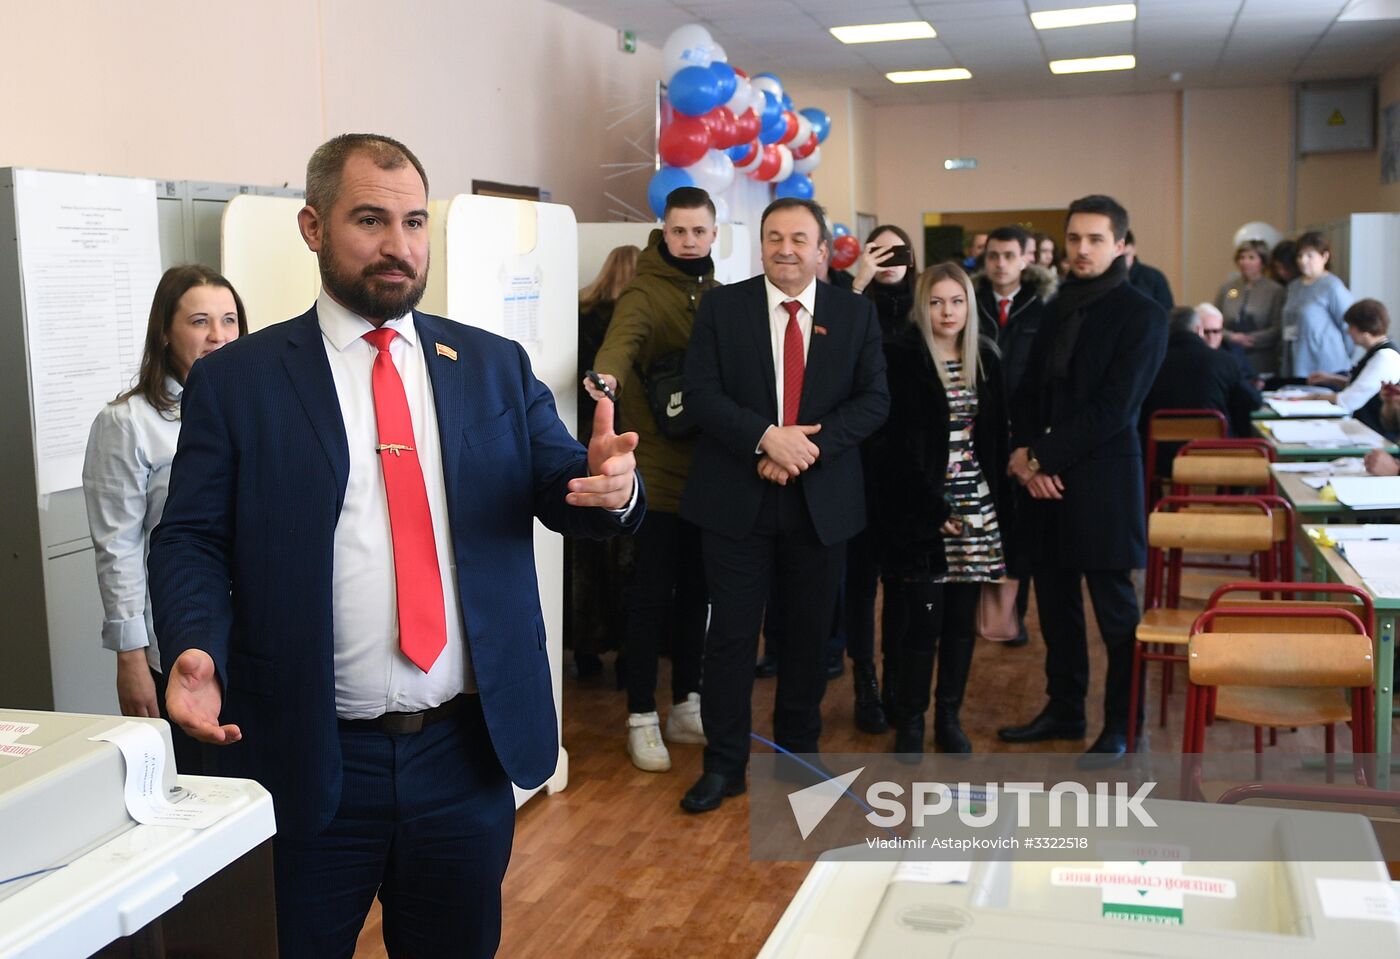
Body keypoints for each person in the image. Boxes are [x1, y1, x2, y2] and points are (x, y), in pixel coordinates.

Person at [148, 133, 643, 958]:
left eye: (414, 222)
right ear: (312, 227)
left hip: (462, 753)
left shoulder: (489, 365)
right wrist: (194, 643)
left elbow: (566, 484)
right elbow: (190, 537)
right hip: (308, 754)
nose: (398, 245)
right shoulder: (239, 382)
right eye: (370, 219)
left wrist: (611, 488)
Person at [678, 196, 888, 812]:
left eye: (800, 238)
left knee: (806, 640)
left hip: (820, 506)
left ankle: (799, 755)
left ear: (823, 250)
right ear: (760, 244)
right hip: (734, 502)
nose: (786, 249)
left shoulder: (855, 315)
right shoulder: (722, 307)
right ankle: (724, 764)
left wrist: (801, 450)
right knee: (731, 641)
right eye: (775, 237)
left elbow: (874, 401)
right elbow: (700, 393)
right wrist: (765, 438)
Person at [1001, 195, 1168, 767]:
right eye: (1074, 239)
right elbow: (1029, 391)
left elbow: (1114, 409)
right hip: (1043, 480)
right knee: (1055, 608)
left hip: (1100, 484)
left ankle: (1122, 725)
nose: (1082, 250)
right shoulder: (1055, 304)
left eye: (1096, 239)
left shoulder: (1142, 313)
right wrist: (1022, 454)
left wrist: (1041, 458)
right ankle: (1065, 708)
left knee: (1115, 615)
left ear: (1120, 244)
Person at [82, 265, 247, 773]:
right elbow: (119, 546)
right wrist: (130, 657)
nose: (218, 336)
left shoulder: (254, 408)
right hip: (180, 646)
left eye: (229, 320)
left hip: (256, 642)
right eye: (200, 321)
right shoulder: (129, 422)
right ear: (165, 332)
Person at [586, 187, 718, 773]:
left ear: (715, 235)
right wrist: (604, 381)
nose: (688, 240)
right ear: (664, 230)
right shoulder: (643, 288)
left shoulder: (718, 292)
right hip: (657, 474)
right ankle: (641, 714)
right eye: (679, 230)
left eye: (698, 231)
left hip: (710, 471)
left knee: (697, 593)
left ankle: (687, 703)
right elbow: (621, 344)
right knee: (649, 598)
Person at [879, 262, 1012, 756]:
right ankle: (911, 719)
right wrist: (931, 508)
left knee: (960, 625)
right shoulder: (902, 359)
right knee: (924, 622)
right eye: (936, 302)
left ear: (969, 306)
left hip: (976, 509)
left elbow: (997, 443)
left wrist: (1001, 512)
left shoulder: (986, 359)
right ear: (922, 306)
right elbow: (893, 449)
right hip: (923, 514)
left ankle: (948, 717)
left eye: (956, 301)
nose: (947, 311)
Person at [973, 226, 1054, 648]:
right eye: (993, 256)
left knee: (1019, 528)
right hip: (978, 429)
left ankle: (1011, 617)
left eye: (1008, 255)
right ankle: (977, 613)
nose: (1000, 264)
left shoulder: (1044, 309)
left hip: (1024, 432)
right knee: (980, 520)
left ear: (1026, 259)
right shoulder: (970, 303)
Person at [570, 244, 640, 680]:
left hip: (581, 442)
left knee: (584, 560)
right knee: (627, 560)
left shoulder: (579, 311)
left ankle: (585, 650)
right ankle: (629, 654)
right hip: (625, 446)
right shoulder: (633, 324)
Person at [1142, 306, 1255, 473]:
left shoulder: (1151, 362)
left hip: (1159, 460)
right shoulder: (1224, 361)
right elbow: (1252, 402)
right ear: (1198, 330)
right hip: (1214, 455)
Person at [1307, 299, 1400, 436]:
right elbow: (1363, 386)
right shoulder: (1376, 352)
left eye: (1351, 326)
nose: (1348, 332)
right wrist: (1332, 379)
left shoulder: (1385, 358)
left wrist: (1310, 398)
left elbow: (1349, 400)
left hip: (1374, 434)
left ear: (1364, 329)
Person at [1283, 231, 1356, 380]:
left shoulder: (1332, 286)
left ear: (1324, 256)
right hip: (1296, 359)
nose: (1303, 261)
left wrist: (1345, 355)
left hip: (1326, 364)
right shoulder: (1294, 286)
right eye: (1300, 255)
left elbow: (1348, 326)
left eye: (1310, 255)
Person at [1214, 238, 1284, 377]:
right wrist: (1231, 337)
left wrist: (1250, 339)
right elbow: (1215, 320)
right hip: (1230, 353)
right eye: (1242, 257)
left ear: (1262, 262)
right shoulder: (1227, 289)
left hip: (1262, 357)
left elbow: (1278, 328)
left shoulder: (1275, 290)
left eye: (1251, 257)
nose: (1245, 262)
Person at [1197, 303, 1263, 436]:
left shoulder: (1232, 351)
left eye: (1216, 331)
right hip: (1217, 430)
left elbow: (1250, 378)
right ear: (1196, 331)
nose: (1211, 338)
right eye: (1206, 332)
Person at [1123, 230, 1174, 311]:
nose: (1122, 261)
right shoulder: (1104, 278)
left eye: (1126, 255)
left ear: (1134, 249)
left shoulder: (1154, 278)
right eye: (1117, 257)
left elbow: (1168, 314)